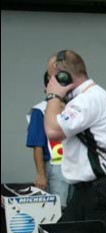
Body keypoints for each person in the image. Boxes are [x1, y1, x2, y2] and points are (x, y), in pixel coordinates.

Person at [43, 49, 106, 233]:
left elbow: (53, 130)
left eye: (50, 77)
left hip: (101, 192)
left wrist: (53, 96)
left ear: (63, 77)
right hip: (92, 191)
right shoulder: (91, 97)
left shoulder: (87, 100)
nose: (48, 83)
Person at [26, 72, 69, 206]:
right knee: (59, 208)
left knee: (78, 208)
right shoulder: (40, 110)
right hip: (56, 166)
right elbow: (37, 144)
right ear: (47, 87)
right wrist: (41, 174)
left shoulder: (74, 107)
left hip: (78, 164)